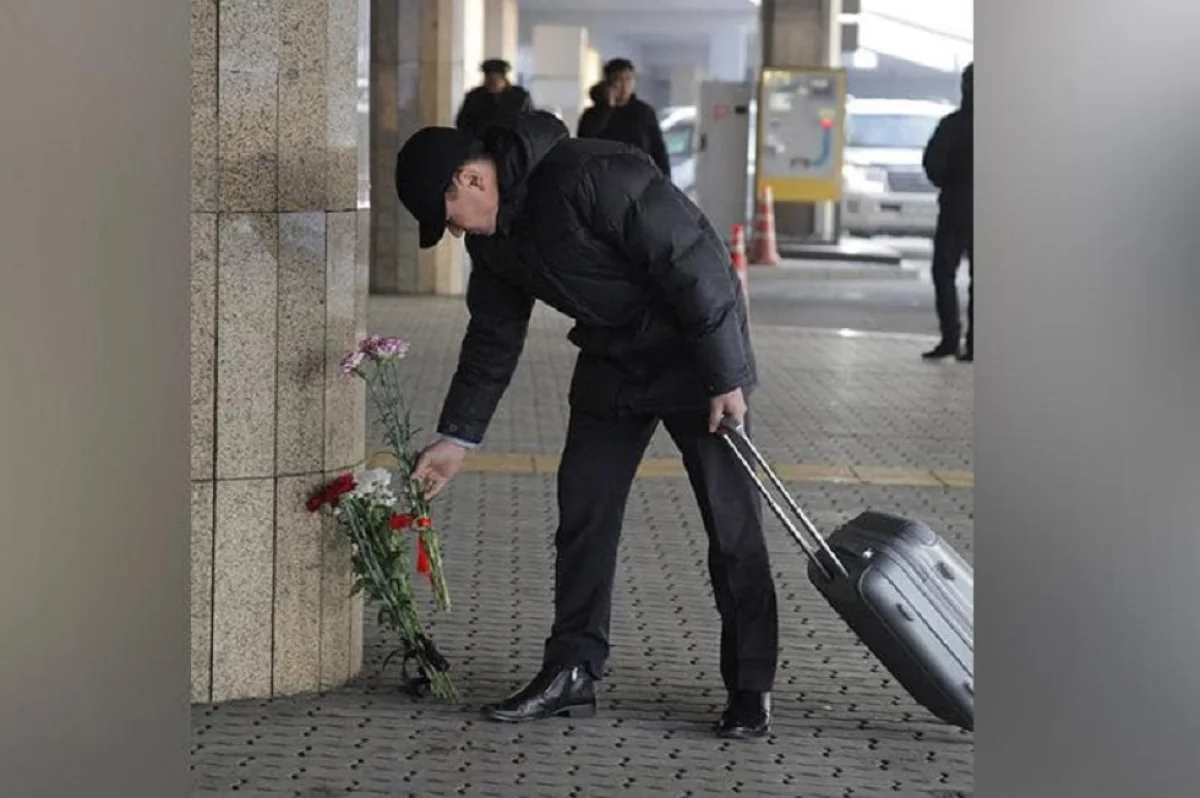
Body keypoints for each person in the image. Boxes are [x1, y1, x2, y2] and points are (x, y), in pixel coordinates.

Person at [393, 110, 779, 739]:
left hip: (694, 360)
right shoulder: (495, 241)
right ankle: (572, 670)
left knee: (731, 524)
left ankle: (750, 685)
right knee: (583, 515)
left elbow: (697, 262)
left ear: (471, 180)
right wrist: (457, 438)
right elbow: (492, 336)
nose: (457, 234)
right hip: (613, 363)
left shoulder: (593, 174)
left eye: (450, 217)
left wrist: (726, 378)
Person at [921, 63, 974, 362]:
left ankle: (950, 337)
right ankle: (977, 342)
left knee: (944, 271)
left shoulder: (952, 125)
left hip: (955, 207)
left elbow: (933, 164)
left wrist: (952, 181)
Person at [575, 58, 671, 178]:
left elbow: (658, 149)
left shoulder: (643, 112)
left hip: (638, 176)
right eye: (619, 80)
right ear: (608, 83)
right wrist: (606, 107)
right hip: (604, 177)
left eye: (629, 79)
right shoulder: (592, 114)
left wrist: (665, 180)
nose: (625, 86)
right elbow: (584, 141)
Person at [454, 59, 534, 139]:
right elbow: (462, 123)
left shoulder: (520, 97)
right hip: (481, 144)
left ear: (504, 79)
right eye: (488, 79)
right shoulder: (474, 97)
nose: (491, 84)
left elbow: (531, 122)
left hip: (512, 143)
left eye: (495, 80)